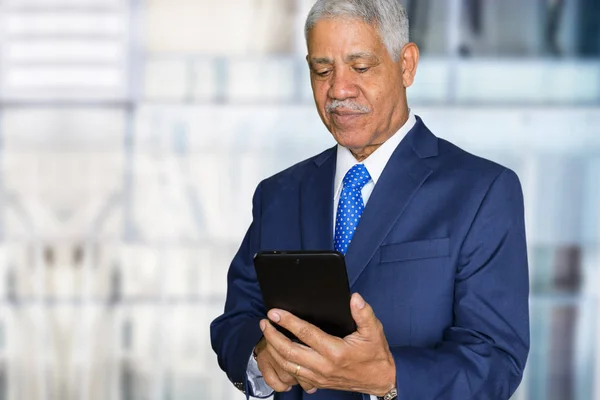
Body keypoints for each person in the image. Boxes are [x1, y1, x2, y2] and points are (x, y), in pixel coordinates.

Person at [210, 0, 529, 399]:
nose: (339, 89)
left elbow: (496, 361)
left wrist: (389, 377)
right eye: (322, 70)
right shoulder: (278, 194)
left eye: (360, 67)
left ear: (407, 65)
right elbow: (235, 321)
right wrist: (261, 362)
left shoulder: (482, 191)